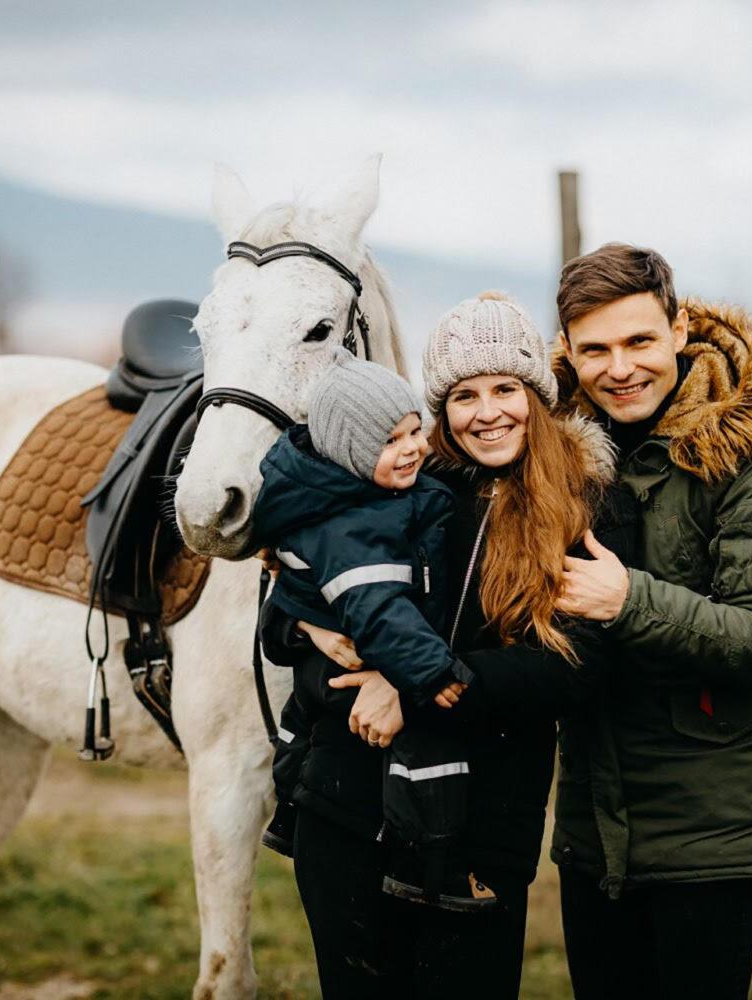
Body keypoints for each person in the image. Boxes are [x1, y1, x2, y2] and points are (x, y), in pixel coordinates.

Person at [267, 291, 641, 999]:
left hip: (480, 827)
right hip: (349, 806)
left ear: (537, 392)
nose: (488, 411)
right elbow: (296, 621)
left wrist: (416, 692)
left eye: (506, 388)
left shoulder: (587, 504)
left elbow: (574, 667)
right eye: (464, 395)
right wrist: (303, 629)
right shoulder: (402, 484)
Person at [550, 243, 752, 999]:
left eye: (639, 341)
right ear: (568, 351)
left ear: (679, 327)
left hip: (712, 831)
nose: (620, 367)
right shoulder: (560, 457)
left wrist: (628, 600)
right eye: (595, 349)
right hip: (592, 828)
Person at [252, 347, 489, 910]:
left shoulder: (361, 495)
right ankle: (433, 864)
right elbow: (379, 609)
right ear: (352, 453)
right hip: (373, 660)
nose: (411, 450)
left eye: (413, 432)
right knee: (428, 753)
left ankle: (288, 814)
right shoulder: (357, 521)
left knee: (300, 730)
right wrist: (433, 673)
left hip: (334, 665)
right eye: (389, 442)